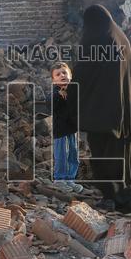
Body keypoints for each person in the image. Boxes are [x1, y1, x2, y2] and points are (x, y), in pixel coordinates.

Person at [73, 5, 131, 213]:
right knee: (120, 152)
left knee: (102, 154)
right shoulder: (120, 37)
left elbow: (82, 74)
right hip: (124, 108)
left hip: (101, 110)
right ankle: (125, 197)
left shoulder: (95, 38)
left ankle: (111, 197)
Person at [50, 62, 83, 193]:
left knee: (73, 154)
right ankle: (59, 179)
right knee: (62, 154)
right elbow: (50, 103)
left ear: (70, 76)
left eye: (64, 73)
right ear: (53, 81)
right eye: (58, 74)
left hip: (72, 129)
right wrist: (58, 94)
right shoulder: (55, 93)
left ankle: (70, 178)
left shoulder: (74, 90)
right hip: (60, 130)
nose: (62, 75)